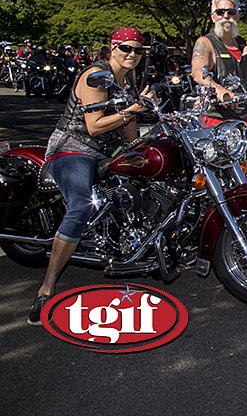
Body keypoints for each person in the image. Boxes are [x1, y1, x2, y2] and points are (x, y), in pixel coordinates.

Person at [27, 27, 153, 325]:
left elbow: (129, 125)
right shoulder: (96, 75)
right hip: (74, 147)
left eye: (138, 50)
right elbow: (95, 125)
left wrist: (132, 148)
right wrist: (132, 110)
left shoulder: (129, 79)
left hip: (106, 149)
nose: (132, 55)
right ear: (113, 48)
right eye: (126, 49)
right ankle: (47, 287)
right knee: (81, 205)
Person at [190, 0, 247, 125]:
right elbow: (198, 73)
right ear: (213, 17)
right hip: (219, 120)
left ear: (237, 16)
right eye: (220, 12)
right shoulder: (206, 43)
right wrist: (219, 89)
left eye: (231, 12)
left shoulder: (244, 44)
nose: (226, 16)